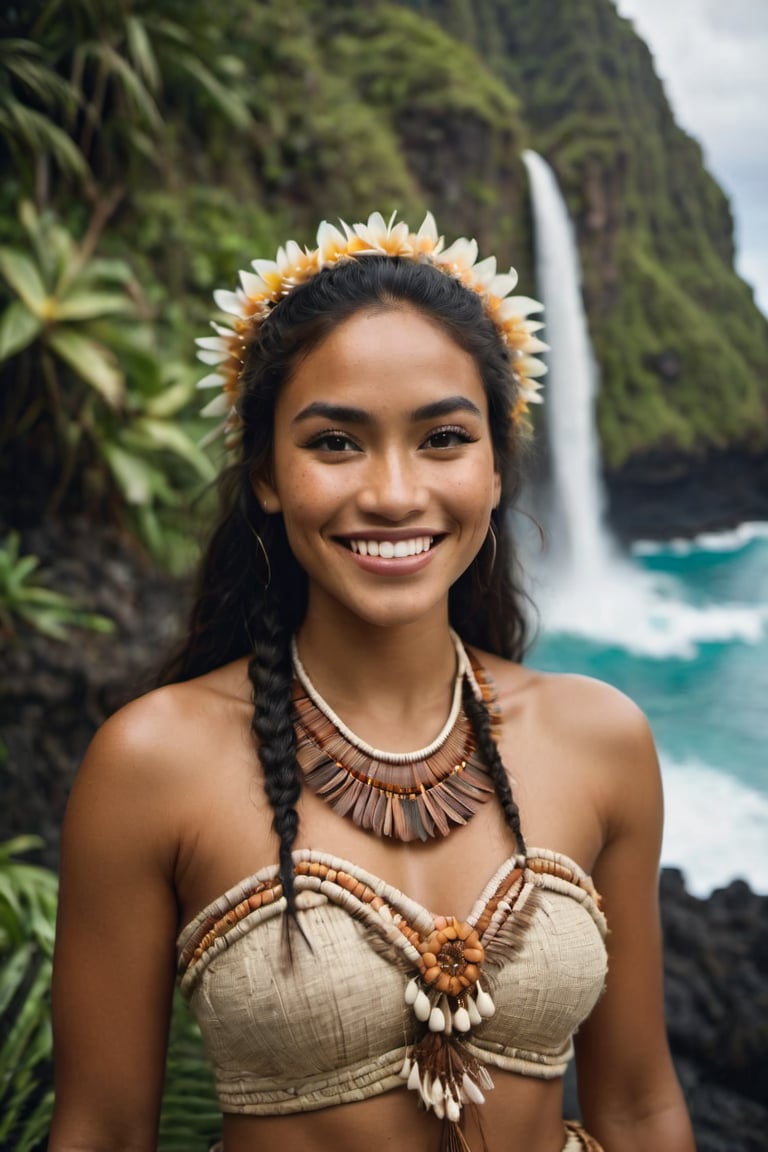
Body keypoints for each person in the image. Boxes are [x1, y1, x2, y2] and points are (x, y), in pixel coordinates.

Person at [49, 211, 695, 1152]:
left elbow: (638, 1107)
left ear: (497, 466)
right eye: (336, 443)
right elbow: (102, 1132)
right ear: (266, 473)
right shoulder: (153, 764)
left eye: (443, 438)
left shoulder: (603, 741)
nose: (395, 492)